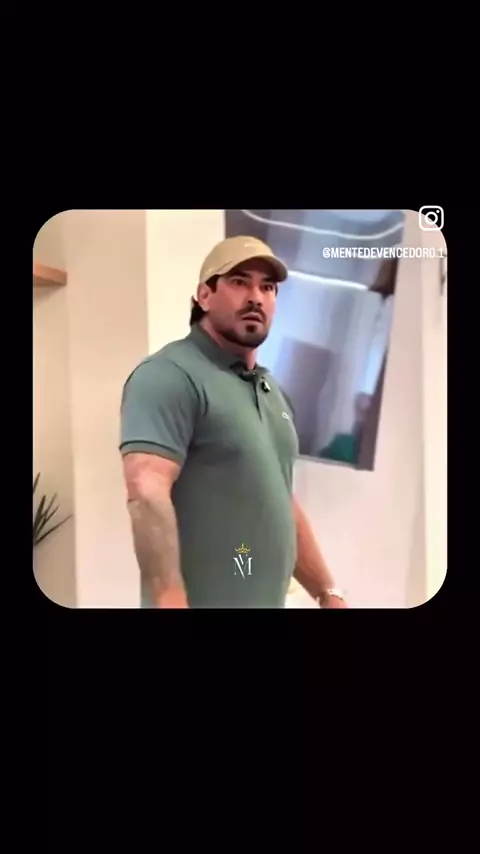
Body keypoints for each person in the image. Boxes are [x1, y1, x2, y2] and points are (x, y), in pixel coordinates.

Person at [119, 235, 347, 609]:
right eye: (239, 282)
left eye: (267, 287)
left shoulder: (270, 390)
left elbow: (280, 500)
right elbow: (146, 491)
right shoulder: (168, 375)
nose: (256, 297)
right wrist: (168, 596)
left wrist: (327, 591)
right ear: (204, 296)